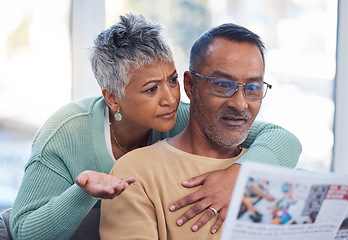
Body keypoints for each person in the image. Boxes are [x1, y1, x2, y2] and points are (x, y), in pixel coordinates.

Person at [9, 13, 301, 240]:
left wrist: (239, 176)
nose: (170, 98)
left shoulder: (184, 116)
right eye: (151, 89)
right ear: (113, 97)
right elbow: (23, 231)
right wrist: (84, 192)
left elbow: (281, 138)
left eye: (172, 80)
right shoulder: (66, 133)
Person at [99, 23, 301, 239]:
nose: (241, 104)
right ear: (189, 85)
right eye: (223, 84)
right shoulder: (135, 172)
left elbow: (287, 140)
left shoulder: (270, 169)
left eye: (253, 88)